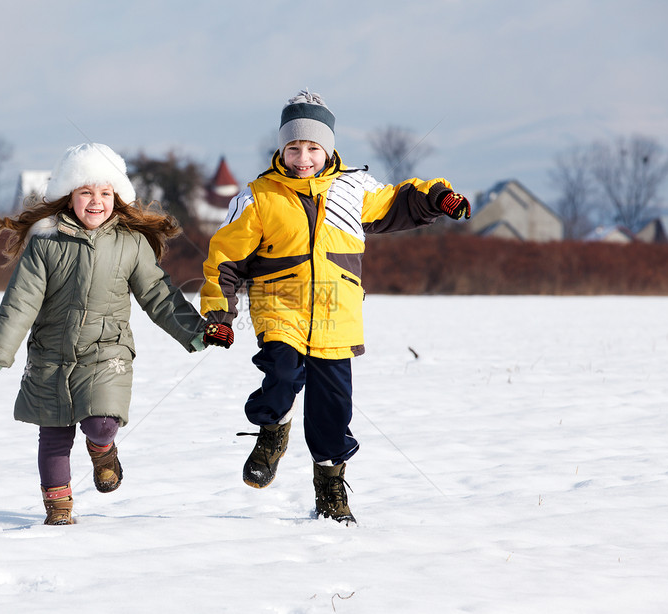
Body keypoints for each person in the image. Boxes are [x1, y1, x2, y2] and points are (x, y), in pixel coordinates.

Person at [200, 90, 470, 524]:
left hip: (336, 315)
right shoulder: (257, 197)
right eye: (293, 147)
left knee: (333, 409)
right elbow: (224, 261)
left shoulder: (353, 188)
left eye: (312, 147)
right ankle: (272, 433)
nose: (302, 157)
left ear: (327, 149)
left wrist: (438, 198)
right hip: (279, 307)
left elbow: (399, 200)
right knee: (283, 374)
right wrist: (219, 315)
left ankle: (329, 491)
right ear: (281, 149)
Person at [0, 142, 206, 525]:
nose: (96, 202)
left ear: (117, 197)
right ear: (69, 196)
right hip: (50, 355)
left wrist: (193, 331)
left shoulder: (130, 243)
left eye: (105, 193)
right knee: (54, 438)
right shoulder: (45, 242)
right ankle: (59, 509)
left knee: (101, 420)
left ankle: (103, 449)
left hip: (106, 352)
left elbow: (158, 294)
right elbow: (21, 302)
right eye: (86, 192)